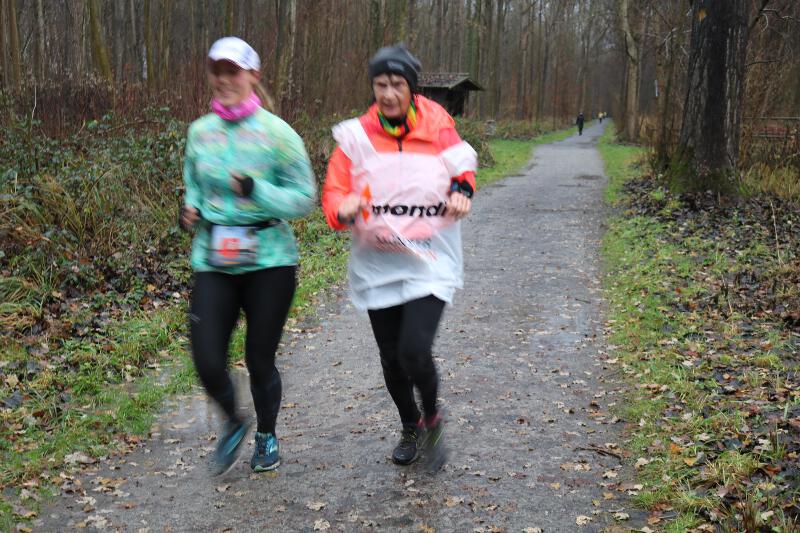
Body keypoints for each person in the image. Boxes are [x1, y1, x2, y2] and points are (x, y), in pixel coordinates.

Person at [322, 44, 477, 472]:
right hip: (379, 263)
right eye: (380, 84)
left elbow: (462, 165)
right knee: (391, 357)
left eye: (397, 84)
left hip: (429, 260)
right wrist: (342, 209)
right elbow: (334, 194)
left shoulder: (436, 123)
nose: (388, 94)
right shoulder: (355, 137)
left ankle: (432, 418)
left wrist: (462, 190)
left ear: (411, 87)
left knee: (414, 350)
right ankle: (410, 425)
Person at [179, 36, 316, 475]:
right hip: (214, 259)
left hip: (270, 261)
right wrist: (190, 209)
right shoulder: (200, 133)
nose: (223, 79)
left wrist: (257, 190)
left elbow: (304, 199)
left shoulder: (278, 134)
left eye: (233, 71)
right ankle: (235, 421)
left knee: (259, 358)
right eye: (217, 71)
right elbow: (194, 184)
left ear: (253, 75)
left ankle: (267, 435)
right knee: (205, 358)